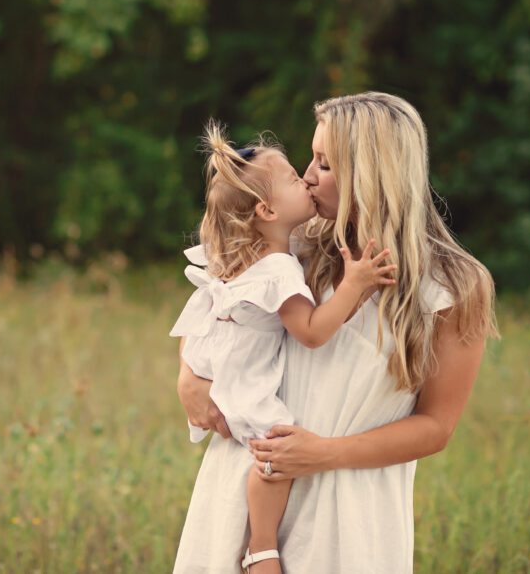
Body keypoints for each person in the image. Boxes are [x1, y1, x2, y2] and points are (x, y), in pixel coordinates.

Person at [174, 92, 500, 573]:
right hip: (248, 482)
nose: (307, 175)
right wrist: (188, 377)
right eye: (310, 157)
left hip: (350, 512)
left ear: (371, 173)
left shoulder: (453, 286)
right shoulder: (290, 247)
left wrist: (324, 454)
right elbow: (215, 305)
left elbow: (436, 427)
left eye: (324, 164)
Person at [170, 119, 399, 573]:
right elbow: (312, 332)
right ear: (268, 212)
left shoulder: (253, 254)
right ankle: (262, 548)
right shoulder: (279, 269)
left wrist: (192, 366)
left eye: (320, 165)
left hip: (226, 369)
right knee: (274, 451)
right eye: (297, 176)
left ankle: (258, 544)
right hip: (245, 383)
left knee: (267, 453)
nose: (308, 178)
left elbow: (206, 306)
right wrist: (356, 286)